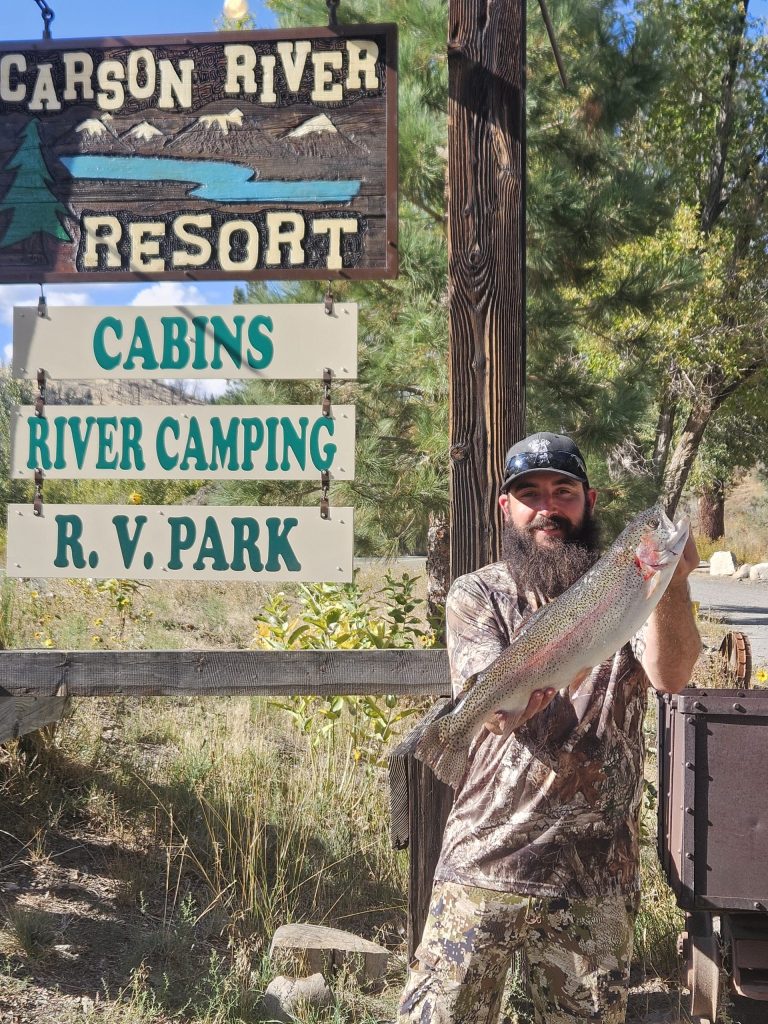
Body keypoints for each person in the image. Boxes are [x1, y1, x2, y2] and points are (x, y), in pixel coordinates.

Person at [397, 432, 701, 1024]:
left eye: (563, 492)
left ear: (588, 500)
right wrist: (503, 709)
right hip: (485, 858)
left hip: (596, 875)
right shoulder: (478, 592)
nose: (547, 508)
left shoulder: (630, 589)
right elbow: (488, 696)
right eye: (529, 494)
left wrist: (673, 584)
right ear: (505, 508)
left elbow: (671, 674)